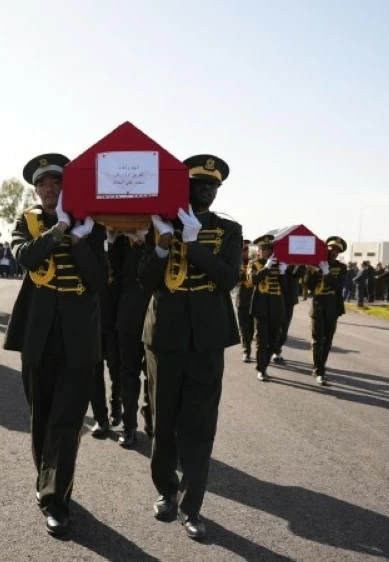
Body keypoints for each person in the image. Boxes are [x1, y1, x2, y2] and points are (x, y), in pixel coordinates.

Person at [3, 153, 107, 536]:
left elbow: (98, 280)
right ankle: (47, 480)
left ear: (68, 186)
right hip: (38, 334)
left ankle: (55, 500)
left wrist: (79, 238)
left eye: (56, 182)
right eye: (42, 184)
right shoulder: (27, 222)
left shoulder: (92, 225)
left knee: (66, 421)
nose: (49, 189)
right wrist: (60, 228)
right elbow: (26, 257)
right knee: (42, 417)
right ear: (36, 191)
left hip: (79, 335)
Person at [140, 154, 242, 540]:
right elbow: (144, 279)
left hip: (207, 339)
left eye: (213, 186)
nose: (208, 190)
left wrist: (194, 244)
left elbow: (228, 279)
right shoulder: (157, 223)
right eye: (200, 184)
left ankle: (191, 505)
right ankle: (165, 490)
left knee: (200, 425)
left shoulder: (229, 229)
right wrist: (162, 246)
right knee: (163, 420)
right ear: (183, 186)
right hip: (164, 337)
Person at [113, 229, 154, 448]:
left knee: (153, 375)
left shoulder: (164, 235)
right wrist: (134, 243)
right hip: (128, 317)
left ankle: (151, 418)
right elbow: (119, 273)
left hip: (155, 317)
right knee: (128, 373)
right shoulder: (119, 243)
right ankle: (129, 425)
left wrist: (148, 241)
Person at [89, 232, 123, 439]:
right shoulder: (90, 236)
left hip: (117, 320)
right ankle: (100, 418)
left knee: (117, 369)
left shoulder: (126, 242)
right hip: (92, 319)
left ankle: (116, 405)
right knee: (94, 371)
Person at [307, 237, 348, 386]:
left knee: (327, 340)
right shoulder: (316, 264)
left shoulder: (342, 268)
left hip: (333, 307)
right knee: (317, 340)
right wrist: (314, 271)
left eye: (337, 250)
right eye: (331, 249)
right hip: (318, 305)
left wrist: (326, 273)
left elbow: (338, 286)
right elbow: (309, 286)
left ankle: (320, 366)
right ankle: (319, 370)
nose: (333, 252)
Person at [249, 234, 286, 382]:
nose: (267, 252)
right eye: (264, 249)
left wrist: (283, 273)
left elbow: (287, 289)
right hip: (261, 305)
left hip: (277, 305)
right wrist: (266, 267)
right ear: (259, 250)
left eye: (270, 249)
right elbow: (253, 280)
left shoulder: (280, 265)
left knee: (273, 339)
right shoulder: (254, 263)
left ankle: (265, 365)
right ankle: (261, 368)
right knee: (262, 339)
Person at [236, 239, 255, 363]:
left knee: (251, 328)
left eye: (247, 249)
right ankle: (246, 351)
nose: (245, 252)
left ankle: (248, 346)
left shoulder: (255, 263)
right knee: (243, 327)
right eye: (243, 249)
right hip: (242, 298)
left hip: (254, 299)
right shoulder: (236, 263)